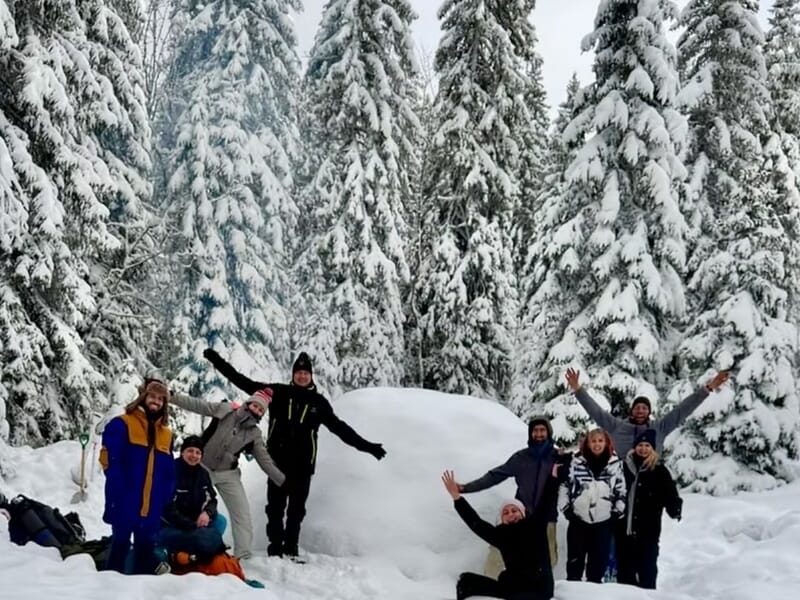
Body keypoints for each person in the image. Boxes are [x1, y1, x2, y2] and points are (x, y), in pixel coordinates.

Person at [203, 348, 386, 559]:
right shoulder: (278, 392)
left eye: (305, 373)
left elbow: (340, 429)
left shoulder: (319, 403)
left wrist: (368, 446)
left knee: (296, 511)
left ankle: (291, 548)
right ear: (293, 374)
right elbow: (242, 381)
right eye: (298, 372)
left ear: (311, 376)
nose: (301, 375)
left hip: (303, 466)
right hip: (276, 463)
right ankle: (275, 548)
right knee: (275, 508)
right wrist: (216, 360)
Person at [170, 388, 285, 559]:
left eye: (261, 410)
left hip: (228, 474)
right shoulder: (225, 410)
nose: (257, 410)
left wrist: (283, 481)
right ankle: (189, 546)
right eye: (255, 405)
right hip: (202, 467)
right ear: (249, 403)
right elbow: (198, 405)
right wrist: (172, 397)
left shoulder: (254, 434)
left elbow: (264, 460)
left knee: (242, 513)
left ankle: (243, 556)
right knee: (193, 506)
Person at [456, 416, 569, 567]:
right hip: (520, 516)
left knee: (548, 558)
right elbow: (495, 476)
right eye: (535, 431)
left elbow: (573, 479)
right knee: (500, 555)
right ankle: (492, 585)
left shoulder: (557, 458)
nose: (539, 434)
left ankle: (539, 588)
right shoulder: (521, 458)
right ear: (530, 434)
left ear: (549, 432)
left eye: (543, 430)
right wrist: (467, 488)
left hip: (546, 516)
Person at [564, 367, 730, 460]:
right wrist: (578, 390)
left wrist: (708, 388)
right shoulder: (617, 427)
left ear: (649, 411)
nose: (640, 410)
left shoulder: (660, 428)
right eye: (637, 407)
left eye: (644, 408)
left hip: (652, 480)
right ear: (632, 410)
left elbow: (682, 410)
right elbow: (596, 411)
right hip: (624, 480)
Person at [100, 376, 175, 574]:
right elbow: (110, 461)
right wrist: (119, 491)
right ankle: (107, 588)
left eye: (161, 399)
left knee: (145, 549)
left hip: (152, 504)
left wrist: (165, 494)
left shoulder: (167, 434)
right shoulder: (122, 424)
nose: (156, 401)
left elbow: (169, 469)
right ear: (143, 396)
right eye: (153, 396)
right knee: (120, 546)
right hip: (125, 499)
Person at [442, 470, 554, 600]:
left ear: (523, 513)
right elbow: (476, 524)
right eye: (505, 513)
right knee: (465, 582)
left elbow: (547, 500)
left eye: (514, 510)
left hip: (538, 590)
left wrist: (553, 477)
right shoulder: (502, 535)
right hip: (512, 588)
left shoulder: (535, 526)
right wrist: (456, 497)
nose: (510, 514)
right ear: (502, 519)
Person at [616, 429, 682, 589]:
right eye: (640, 445)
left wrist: (675, 508)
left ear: (652, 449)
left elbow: (670, 493)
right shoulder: (623, 466)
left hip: (648, 532)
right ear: (634, 447)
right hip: (624, 530)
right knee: (625, 575)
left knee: (647, 572)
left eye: (647, 445)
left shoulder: (659, 470)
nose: (643, 449)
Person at [559, 428, 626, 583]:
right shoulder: (576, 462)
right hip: (578, 521)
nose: (597, 444)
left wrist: (616, 513)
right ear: (587, 443)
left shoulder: (615, 464)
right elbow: (565, 486)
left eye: (600, 441)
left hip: (603, 522)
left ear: (606, 443)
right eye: (593, 441)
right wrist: (566, 509)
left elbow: (621, 491)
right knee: (575, 565)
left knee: (597, 568)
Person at [159, 435, 227, 564]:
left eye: (198, 452)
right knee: (170, 537)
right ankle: (177, 553)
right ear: (182, 452)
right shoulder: (171, 471)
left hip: (194, 522)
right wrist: (190, 525)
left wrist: (207, 513)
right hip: (170, 524)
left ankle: (198, 548)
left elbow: (212, 499)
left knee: (221, 521)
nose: (194, 455)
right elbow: (165, 508)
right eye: (190, 451)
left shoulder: (203, 473)